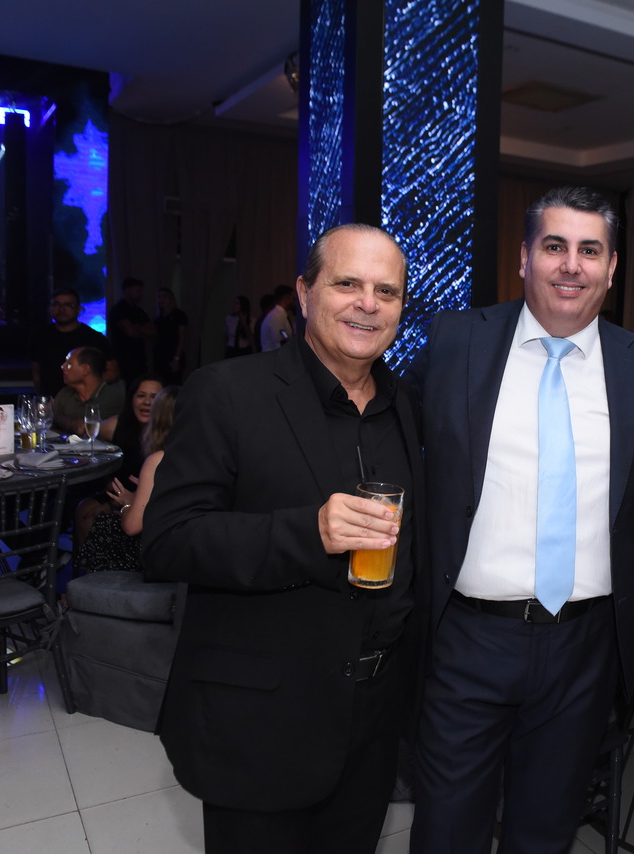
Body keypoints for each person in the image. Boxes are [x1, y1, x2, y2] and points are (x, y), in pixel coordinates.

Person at [409, 186, 634, 854]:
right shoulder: (454, 342)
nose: (571, 265)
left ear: (611, 268)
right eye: (555, 246)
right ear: (525, 257)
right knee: (446, 830)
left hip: (586, 647)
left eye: (590, 250)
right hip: (467, 637)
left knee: (545, 833)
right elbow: (399, 452)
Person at [143, 224, 425, 854]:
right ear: (304, 292)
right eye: (347, 283)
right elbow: (168, 539)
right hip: (262, 721)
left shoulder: (404, 403)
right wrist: (308, 532)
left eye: (387, 291)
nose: (368, 303)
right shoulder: (228, 392)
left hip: (373, 721)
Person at [75, 385, 178, 574]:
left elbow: (132, 527)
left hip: (162, 551)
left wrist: (128, 504)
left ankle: (97, 586)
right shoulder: (199, 453)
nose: (147, 403)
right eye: (141, 395)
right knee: (87, 509)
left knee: (102, 525)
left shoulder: (158, 459)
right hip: (186, 542)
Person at [73, 375, 165, 545]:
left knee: (96, 517)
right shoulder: (118, 424)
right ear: (131, 399)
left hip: (150, 501)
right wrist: (107, 478)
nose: (147, 402)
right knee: (83, 509)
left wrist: (121, 503)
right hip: (118, 493)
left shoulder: (168, 434)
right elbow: (87, 437)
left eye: (154, 397)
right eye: (141, 395)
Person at [30, 287, 117, 395]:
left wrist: (88, 387)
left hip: (83, 400)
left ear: (78, 309)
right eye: (56, 304)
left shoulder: (94, 338)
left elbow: (112, 372)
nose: (61, 309)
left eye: (68, 305)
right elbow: (36, 371)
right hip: (49, 399)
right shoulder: (39, 337)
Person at [52, 346, 125, 436]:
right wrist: (71, 423)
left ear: (85, 369)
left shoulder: (112, 396)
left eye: (69, 365)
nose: (63, 367)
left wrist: (60, 418)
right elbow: (50, 416)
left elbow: (86, 429)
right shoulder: (66, 393)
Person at [108, 277, 156, 384]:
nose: (140, 294)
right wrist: (141, 328)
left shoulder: (139, 310)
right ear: (127, 290)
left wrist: (137, 328)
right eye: (137, 291)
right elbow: (131, 331)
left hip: (139, 357)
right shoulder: (119, 309)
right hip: (123, 358)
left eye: (141, 291)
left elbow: (152, 331)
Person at [153, 287, 188, 383]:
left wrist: (176, 358)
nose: (161, 299)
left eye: (164, 296)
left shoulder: (179, 315)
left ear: (171, 298)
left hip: (173, 354)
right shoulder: (158, 317)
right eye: (159, 297)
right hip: (160, 356)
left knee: (173, 383)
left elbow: (182, 338)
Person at [260, 284, 296, 351]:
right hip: (274, 355)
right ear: (286, 298)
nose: (294, 302)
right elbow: (281, 337)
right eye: (293, 299)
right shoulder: (276, 316)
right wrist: (287, 337)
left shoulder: (279, 315)